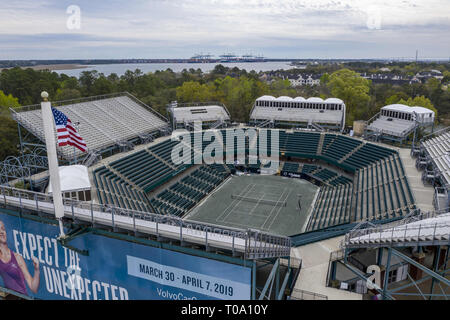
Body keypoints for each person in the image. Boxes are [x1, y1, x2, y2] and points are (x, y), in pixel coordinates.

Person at [0, 220, 40, 295]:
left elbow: (33, 288)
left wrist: (36, 269)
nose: (2, 232)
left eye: (3, 229)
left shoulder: (17, 258)